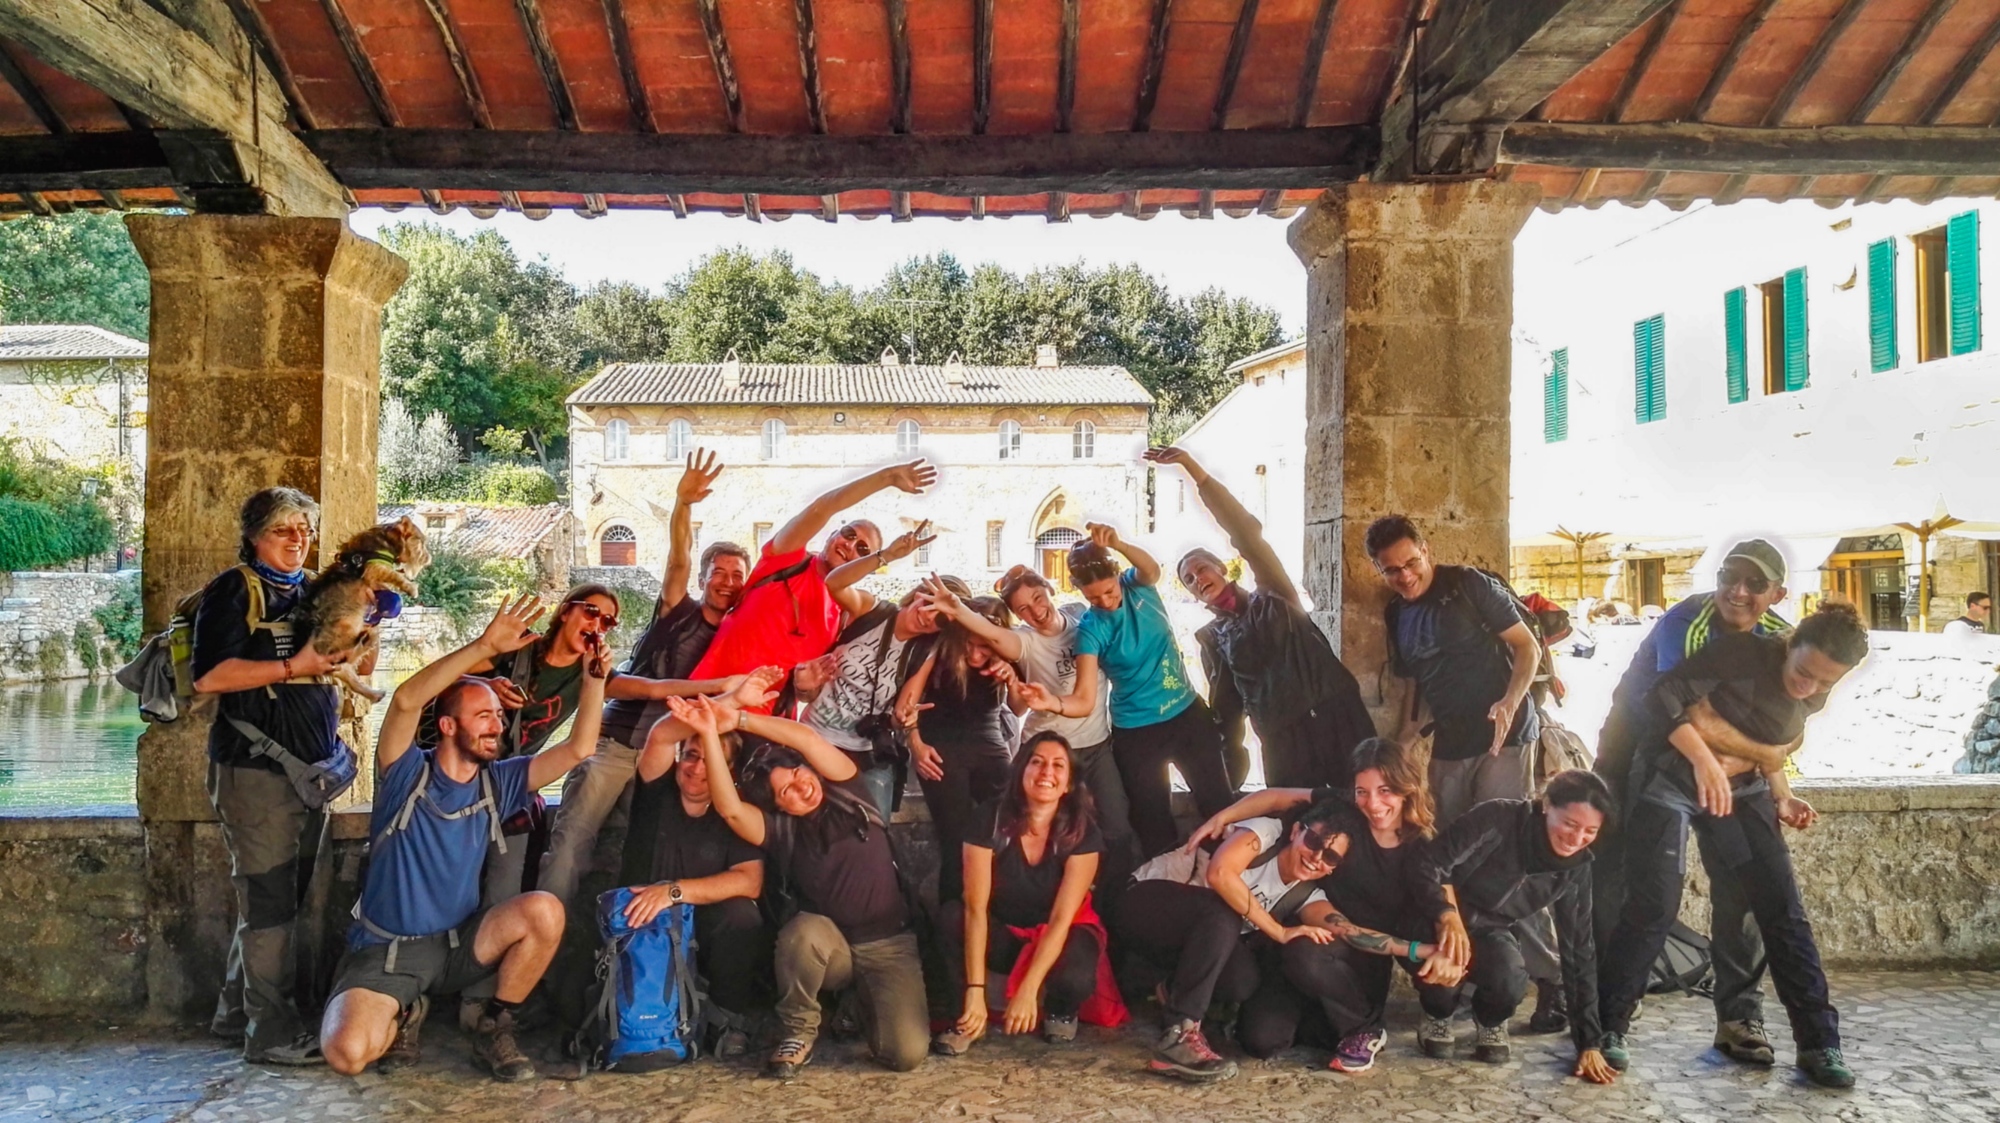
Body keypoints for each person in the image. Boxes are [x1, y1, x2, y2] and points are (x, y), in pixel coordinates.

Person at [318, 595, 607, 1081]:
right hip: (389, 952)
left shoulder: (502, 781)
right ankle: (404, 1010)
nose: (497, 724)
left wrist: (595, 682)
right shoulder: (405, 774)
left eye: (498, 715)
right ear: (449, 726)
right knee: (346, 1054)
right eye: (484, 716)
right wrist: (482, 648)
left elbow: (579, 747)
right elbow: (407, 700)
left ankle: (494, 1022)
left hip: (459, 946)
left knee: (544, 910)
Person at [1595, 602, 1869, 1089]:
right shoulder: (1741, 653)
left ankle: (1819, 1041)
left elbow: (1776, 744)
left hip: (1743, 792)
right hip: (1670, 779)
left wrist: (1779, 793)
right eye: (1804, 672)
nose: (1808, 687)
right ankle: (1609, 1028)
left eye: (1825, 683)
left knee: (1780, 908)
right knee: (1653, 902)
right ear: (1789, 646)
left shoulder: (1814, 691)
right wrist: (1704, 761)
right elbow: (1662, 699)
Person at [1591, 538, 1792, 1064]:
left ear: (1777, 593)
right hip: (1642, 744)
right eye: (1730, 575)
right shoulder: (1687, 620)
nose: (1738, 590)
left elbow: (1785, 725)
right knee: (1634, 884)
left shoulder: (1780, 640)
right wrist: (1759, 755)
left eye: (1755, 583)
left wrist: (1775, 777)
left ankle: (1738, 1019)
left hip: (1723, 765)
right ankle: (1607, 1016)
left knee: (1742, 892)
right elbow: (1685, 714)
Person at [1365, 514, 1563, 1030]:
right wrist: (1406, 744)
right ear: (1380, 571)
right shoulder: (1397, 614)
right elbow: (1416, 687)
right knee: (1448, 861)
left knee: (1509, 860)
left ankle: (1550, 984)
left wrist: (1509, 702)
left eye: (1411, 563)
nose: (1405, 576)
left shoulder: (1468, 585)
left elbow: (1527, 646)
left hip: (1504, 740)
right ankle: (1476, 973)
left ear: (1426, 550)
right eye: (1392, 570)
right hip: (1450, 746)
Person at [192, 487, 362, 1066]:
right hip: (256, 770)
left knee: (280, 898)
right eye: (285, 530)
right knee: (269, 902)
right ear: (255, 534)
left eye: (306, 530)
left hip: (308, 772)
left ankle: (233, 1014)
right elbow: (210, 677)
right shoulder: (234, 589)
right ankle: (268, 1034)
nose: (299, 540)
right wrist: (296, 666)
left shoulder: (307, 589)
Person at [673, 694, 929, 1078]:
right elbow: (730, 808)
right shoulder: (780, 831)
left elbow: (806, 741)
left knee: (904, 1054)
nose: (800, 788)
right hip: (832, 946)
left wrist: (739, 718)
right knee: (802, 932)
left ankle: (857, 1005)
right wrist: (709, 735)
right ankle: (798, 1031)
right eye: (785, 793)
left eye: (797, 775)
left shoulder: (849, 791)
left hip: (890, 944)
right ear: (779, 807)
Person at [540, 450, 750, 904]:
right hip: (615, 742)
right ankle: (544, 941)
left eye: (738, 575)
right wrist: (684, 504)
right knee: (572, 846)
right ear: (704, 577)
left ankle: (619, 946)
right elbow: (677, 559)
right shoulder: (681, 613)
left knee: (635, 853)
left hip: (663, 759)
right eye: (720, 573)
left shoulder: (737, 638)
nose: (728, 582)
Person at [1183, 738, 1465, 1072]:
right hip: (1317, 935)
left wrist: (1452, 922)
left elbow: (1440, 887)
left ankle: (1363, 1028)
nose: (1373, 803)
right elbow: (1275, 796)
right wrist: (1221, 818)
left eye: (1385, 790)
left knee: (1307, 949)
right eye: (1363, 791)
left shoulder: (1419, 842)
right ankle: (1324, 1022)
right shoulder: (1346, 810)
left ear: (1407, 788)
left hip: (1362, 953)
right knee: (1260, 1040)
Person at [1147, 447, 1374, 793]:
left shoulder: (1274, 592)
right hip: (1284, 739)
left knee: (1368, 802)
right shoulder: (1212, 638)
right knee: (1301, 825)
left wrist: (1194, 469)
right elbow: (1227, 712)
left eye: (1201, 568)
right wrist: (1226, 786)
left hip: (1336, 714)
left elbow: (1246, 533)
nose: (1197, 578)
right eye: (1189, 580)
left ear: (1221, 568)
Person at [1016, 523, 1234, 858]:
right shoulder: (1090, 630)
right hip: (1137, 733)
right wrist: (1052, 702)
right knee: (1152, 822)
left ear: (1118, 576)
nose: (1103, 601)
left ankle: (1231, 879)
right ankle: (1165, 890)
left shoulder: (1138, 586)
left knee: (1218, 803)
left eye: (1108, 592)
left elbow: (1152, 568)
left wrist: (1118, 543)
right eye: (1092, 598)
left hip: (1187, 714)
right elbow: (1084, 699)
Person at [1111, 797, 1359, 1083]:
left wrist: (1413, 948)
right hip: (1144, 904)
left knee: (1242, 980)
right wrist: (1278, 931)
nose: (1317, 857)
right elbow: (1220, 874)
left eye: (1330, 857)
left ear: (1334, 867)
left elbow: (1345, 929)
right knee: (1224, 910)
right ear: (1295, 832)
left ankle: (1170, 989)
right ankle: (1179, 1035)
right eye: (1314, 842)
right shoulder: (1265, 832)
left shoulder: (1307, 894)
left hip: (1189, 942)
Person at [1415, 770, 1617, 1084]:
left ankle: (1491, 1021)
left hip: (1493, 928)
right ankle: (1437, 1014)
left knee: (1511, 980)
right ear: (1547, 805)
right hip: (1443, 914)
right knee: (1443, 981)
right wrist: (1445, 914)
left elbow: (1579, 948)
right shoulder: (1498, 817)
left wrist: (1589, 1041)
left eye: (1590, 831)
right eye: (1570, 824)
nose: (1576, 840)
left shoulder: (1576, 867)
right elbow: (1430, 864)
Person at [926, 565, 1136, 867]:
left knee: (1117, 829)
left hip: (1095, 746)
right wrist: (958, 609)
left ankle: (1110, 906)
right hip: (1047, 749)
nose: (1036, 611)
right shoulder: (1024, 641)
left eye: (1038, 598)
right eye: (1023, 609)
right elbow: (992, 633)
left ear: (1049, 589)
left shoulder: (1086, 626)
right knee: (1045, 833)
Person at [933, 732, 1126, 1055]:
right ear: (1021, 771)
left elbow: (1062, 919)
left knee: (1076, 973)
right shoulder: (988, 819)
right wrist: (975, 990)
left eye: (1057, 765)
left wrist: (1029, 987)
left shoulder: (1083, 831)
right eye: (1036, 762)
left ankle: (1059, 1007)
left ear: (1067, 783)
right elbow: (975, 909)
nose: (1046, 772)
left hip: (1059, 933)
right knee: (952, 918)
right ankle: (964, 1015)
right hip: (1004, 928)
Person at [617, 672, 778, 1056]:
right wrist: (732, 699)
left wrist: (673, 892)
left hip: (701, 922)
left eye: (712, 761)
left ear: (730, 772)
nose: (696, 767)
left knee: (743, 915)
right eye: (691, 754)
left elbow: (749, 882)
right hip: (645, 921)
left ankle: (726, 1018)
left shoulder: (734, 812)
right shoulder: (657, 790)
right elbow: (660, 735)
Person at [688, 459, 938, 695]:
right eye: (849, 534)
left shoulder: (843, 615)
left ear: (869, 565)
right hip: (704, 700)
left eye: (863, 549)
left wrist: (804, 687)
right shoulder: (786, 558)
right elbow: (824, 506)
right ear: (831, 535)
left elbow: (809, 690)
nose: (851, 546)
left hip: (760, 726)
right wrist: (887, 477)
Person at [792, 563, 955, 818]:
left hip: (863, 751)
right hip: (816, 735)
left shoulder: (923, 652)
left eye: (942, 619)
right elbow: (833, 583)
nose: (929, 617)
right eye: (929, 604)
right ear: (920, 593)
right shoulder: (873, 611)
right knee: (801, 820)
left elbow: (902, 710)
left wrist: (906, 719)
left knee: (873, 832)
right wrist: (888, 555)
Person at [898, 592, 1015, 905]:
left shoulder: (1007, 653)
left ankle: (1004, 911)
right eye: (970, 643)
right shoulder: (940, 648)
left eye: (985, 646)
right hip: (941, 749)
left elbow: (1017, 706)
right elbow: (905, 705)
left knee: (1011, 828)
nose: (977, 653)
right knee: (956, 842)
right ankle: (952, 924)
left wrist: (1012, 676)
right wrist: (916, 744)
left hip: (989, 746)